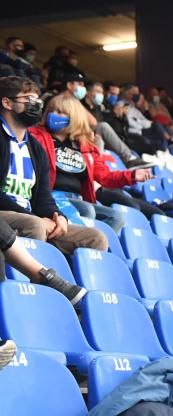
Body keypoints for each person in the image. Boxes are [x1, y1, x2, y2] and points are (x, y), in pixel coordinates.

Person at [0, 76, 88, 303]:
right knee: (35, 224)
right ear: (7, 103)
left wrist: (56, 216)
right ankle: (35, 297)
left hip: (32, 216)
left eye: (37, 99)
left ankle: (84, 305)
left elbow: (43, 195)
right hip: (9, 214)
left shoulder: (36, 148)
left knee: (96, 237)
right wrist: (37, 218)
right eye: (28, 98)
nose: (36, 103)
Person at [29, 94, 160, 232]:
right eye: (51, 111)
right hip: (51, 196)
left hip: (78, 199)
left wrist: (132, 175)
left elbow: (105, 176)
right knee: (88, 210)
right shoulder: (36, 137)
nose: (53, 115)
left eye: (60, 112)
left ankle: (96, 251)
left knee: (116, 217)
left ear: (75, 117)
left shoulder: (86, 146)